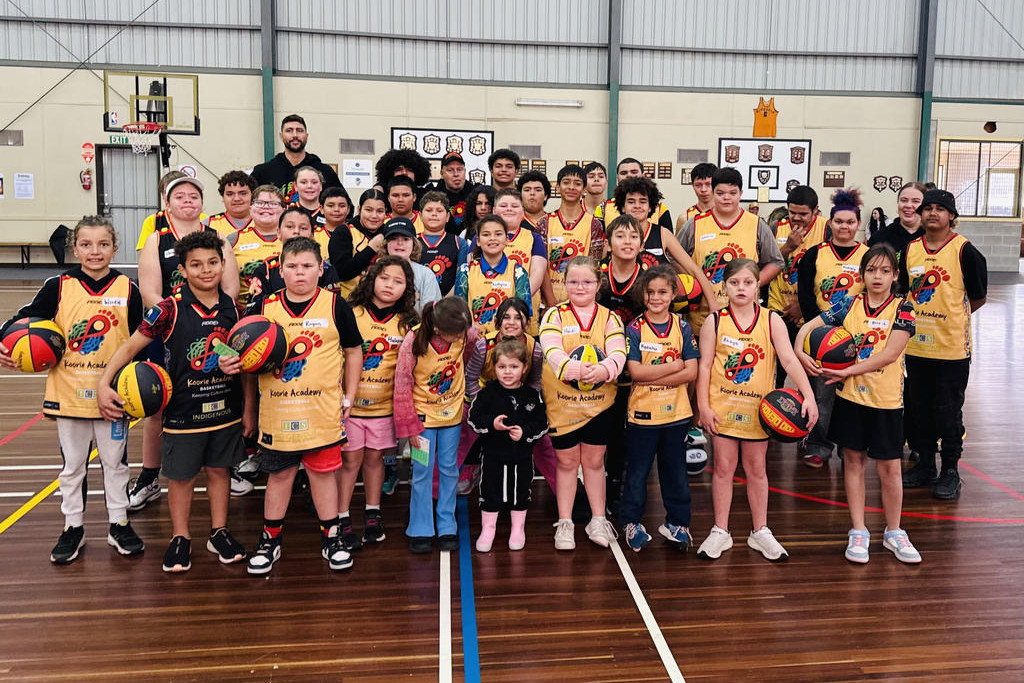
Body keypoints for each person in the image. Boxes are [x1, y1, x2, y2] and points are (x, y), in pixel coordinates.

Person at [98, 231, 246, 573]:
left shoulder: (233, 308)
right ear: (182, 269)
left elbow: (233, 355)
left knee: (219, 471)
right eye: (196, 264)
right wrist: (104, 382)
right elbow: (129, 348)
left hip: (224, 408)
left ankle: (218, 532)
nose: (206, 270)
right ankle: (180, 537)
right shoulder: (168, 308)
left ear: (223, 265)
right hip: (182, 410)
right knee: (181, 477)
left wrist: (234, 373)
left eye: (212, 263)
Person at [0, 216, 144, 564]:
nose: (95, 251)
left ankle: (118, 522)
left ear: (115, 247)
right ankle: (73, 526)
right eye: (86, 244)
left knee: (116, 464)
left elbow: (144, 338)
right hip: (68, 393)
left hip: (113, 396)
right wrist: (8, 346)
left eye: (103, 244)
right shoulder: (58, 286)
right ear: (75, 248)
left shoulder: (128, 289)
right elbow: (19, 323)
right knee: (73, 467)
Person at [228, 237, 363, 575]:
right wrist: (235, 372)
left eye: (307, 266)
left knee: (323, 475)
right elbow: (237, 356)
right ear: (281, 270)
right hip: (277, 412)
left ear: (320, 269)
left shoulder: (336, 305)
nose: (299, 273)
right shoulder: (262, 308)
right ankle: (269, 540)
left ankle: (331, 537)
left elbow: (354, 351)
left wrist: (350, 394)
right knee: (279, 475)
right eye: (292, 266)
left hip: (322, 411)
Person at [795, 244, 921, 564]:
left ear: (895, 275)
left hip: (886, 400)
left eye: (884, 271)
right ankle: (859, 529)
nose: (876, 276)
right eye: (870, 270)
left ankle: (894, 531)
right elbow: (810, 326)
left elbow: (890, 354)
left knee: (890, 468)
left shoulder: (904, 308)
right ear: (862, 274)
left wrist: (845, 370)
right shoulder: (849, 303)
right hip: (850, 397)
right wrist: (799, 349)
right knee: (852, 462)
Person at [695, 258, 817, 562]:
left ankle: (759, 530)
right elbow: (705, 366)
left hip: (758, 411)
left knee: (757, 470)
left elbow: (789, 360)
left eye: (747, 282)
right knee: (723, 469)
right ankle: (720, 530)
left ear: (757, 286)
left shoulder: (771, 320)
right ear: (724, 286)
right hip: (723, 408)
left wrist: (809, 396)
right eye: (734, 282)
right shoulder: (715, 321)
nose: (741, 288)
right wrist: (703, 407)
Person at [132, 176, 239, 511]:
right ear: (168, 203)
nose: (188, 201)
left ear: (202, 203)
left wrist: (209, 322)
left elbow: (231, 290)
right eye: (180, 196)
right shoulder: (156, 238)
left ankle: (224, 467)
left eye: (194, 196)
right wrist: (177, 322)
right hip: (170, 331)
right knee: (158, 404)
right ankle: (150, 476)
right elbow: (150, 292)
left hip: (213, 332)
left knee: (220, 392)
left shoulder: (219, 238)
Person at [900, 189, 987, 500]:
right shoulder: (910, 250)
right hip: (915, 347)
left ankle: (950, 470)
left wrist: (949, 320)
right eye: (928, 208)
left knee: (947, 413)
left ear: (952, 216)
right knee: (919, 410)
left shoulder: (965, 251)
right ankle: (925, 465)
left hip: (951, 351)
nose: (932, 213)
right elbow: (904, 293)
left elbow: (978, 297)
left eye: (940, 209)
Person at [540, 256, 626, 550]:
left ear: (598, 284)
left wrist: (604, 370)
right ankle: (565, 522)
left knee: (593, 461)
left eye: (587, 281)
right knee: (566, 462)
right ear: (564, 283)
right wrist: (576, 370)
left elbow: (618, 353)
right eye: (573, 281)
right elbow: (552, 352)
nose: (580, 287)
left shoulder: (610, 317)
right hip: (562, 404)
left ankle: (597, 518)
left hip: (598, 404)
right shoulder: (554, 315)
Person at [337, 255, 419, 551]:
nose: (389, 286)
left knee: (375, 460)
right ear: (372, 278)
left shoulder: (409, 322)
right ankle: (342, 517)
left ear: (407, 288)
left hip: (384, 408)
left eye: (398, 282)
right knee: (350, 462)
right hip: (350, 407)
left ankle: (373, 513)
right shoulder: (349, 312)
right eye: (385, 278)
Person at [619, 266, 701, 552]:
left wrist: (662, 371)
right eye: (650, 292)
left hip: (676, 415)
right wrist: (674, 365)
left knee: (675, 472)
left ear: (673, 294)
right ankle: (631, 521)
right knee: (638, 473)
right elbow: (636, 373)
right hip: (643, 415)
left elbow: (692, 372)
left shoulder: (683, 326)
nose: (656, 297)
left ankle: (677, 523)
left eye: (662, 292)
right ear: (643, 295)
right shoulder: (635, 328)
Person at [393, 297, 478, 554]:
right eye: (456, 333)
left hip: (452, 417)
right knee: (421, 470)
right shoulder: (413, 341)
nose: (462, 336)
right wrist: (410, 429)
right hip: (422, 420)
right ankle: (420, 528)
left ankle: (447, 524)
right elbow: (402, 385)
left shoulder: (466, 333)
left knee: (449, 468)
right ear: (439, 330)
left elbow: (471, 347)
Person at [796, 189, 868, 469]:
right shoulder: (815, 254)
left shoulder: (868, 255)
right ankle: (818, 444)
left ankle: (849, 447)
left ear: (857, 223)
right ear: (831, 223)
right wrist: (822, 333)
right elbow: (805, 296)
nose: (844, 227)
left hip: (857, 337)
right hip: (821, 337)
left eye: (850, 222)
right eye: (839, 221)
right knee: (821, 393)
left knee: (853, 394)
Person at [675, 167, 784, 337]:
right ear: (713, 193)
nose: (726, 198)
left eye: (732, 193)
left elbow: (776, 262)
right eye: (720, 193)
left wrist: (751, 284)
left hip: (745, 315)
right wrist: (694, 284)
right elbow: (674, 259)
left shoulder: (756, 224)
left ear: (741, 193)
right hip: (701, 316)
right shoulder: (694, 224)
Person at [462, 297, 555, 496]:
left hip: (520, 400)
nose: (511, 322)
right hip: (484, 397)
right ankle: (444, 488)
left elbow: (536, 382)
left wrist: (522, 407)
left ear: (527, 323)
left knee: (543, 443)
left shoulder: (534, 348)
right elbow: (470, 377)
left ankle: (565, 494)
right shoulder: (483, 345)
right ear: (497, 321)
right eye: (506, 317)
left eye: (517, 318)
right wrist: (487, 403)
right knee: (462, 436)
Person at [468, 338, 548, 552]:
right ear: (494, 368)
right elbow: (473, 419)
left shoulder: (532, 396)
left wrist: (525, 433)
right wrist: (492, 424)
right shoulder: (487, 394)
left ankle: (517, 528)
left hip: (521, 458)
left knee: (520, 492)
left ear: (524, 368)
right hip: (493, 456)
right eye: (502, 367)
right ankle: (488, 529)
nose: (507, 372)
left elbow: (541, 424)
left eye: (514, 367)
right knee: (490, 490)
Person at [611, 176, 716, 311]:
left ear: (650, 207)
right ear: (623, 207)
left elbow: (693, 269)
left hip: (656, 311)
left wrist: (713, 305)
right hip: (620, 309)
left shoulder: (663, 234)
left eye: (643, 201)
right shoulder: (614, 233)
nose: (637, 206)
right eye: (631, 201)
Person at [538, 165, 606, 305]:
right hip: (547, 301)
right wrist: (551, 302)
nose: (571, 187)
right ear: (557, 187)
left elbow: (594, 266)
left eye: (577, 183)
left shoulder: (594, 225)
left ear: (584, 189)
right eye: (566, 182)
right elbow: (540, 267)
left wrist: (579, 301)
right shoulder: (544, 223)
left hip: (582, 301)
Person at [454, 215, 532, 335]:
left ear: (507, 239)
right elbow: (459, 313)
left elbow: (523, 315)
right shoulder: (466, 271)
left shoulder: (518, 272)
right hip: (473, 341)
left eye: (498, 234)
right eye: (486, 234)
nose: (492, 238)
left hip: (508, 343)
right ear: (478, 241)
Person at [247, 208, 340, 303]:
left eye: (303, 228)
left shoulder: (326, 269)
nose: (296, 232)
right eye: (289, 226)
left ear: (312, 235)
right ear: (278, 232)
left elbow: (331, 307)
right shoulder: (265, 270)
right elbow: (255, 312)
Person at [250, 114, 341, 199]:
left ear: (306, 136)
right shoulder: (262, 172)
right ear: (281, 136)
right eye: (289, 131)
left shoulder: (325, 172)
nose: (295, 135)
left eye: (299, 130)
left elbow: (344, 205)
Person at [228, 184, 283, 309]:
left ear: (284, 209)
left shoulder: (294, 238)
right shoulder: (232, 239)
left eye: (273, 204)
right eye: (260, 203)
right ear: (251, 208)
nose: (266, 207)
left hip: (285, 309)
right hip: (244, 311)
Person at [328, 188, 388, 298]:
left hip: (381, 301)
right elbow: (342, 272)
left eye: (380, 211)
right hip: (349, 300)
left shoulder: (389, 232)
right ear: (359, 210)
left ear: (386, 213)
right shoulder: (344, 231)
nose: (374, 216)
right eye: (368, 210)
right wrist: (370, 249)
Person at [378, 217, 442, 313]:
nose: (400, 243)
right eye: (394, 238)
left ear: (414, 243)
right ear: (385, 244)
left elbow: (430, 316)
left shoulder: (426, 275)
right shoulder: (375, 271)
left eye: (405, 239)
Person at [134, 170, 209, 251]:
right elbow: (143, 253)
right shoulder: (153, 221)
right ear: (163, 195)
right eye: (168, 191)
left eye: (193, 196)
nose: (187, 200)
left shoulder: (205, 220)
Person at [415, 191, 470, 296]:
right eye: (429, 210)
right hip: (417, 301)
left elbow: (462, 278)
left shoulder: (459, 243)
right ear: (420, 216)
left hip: (448, 305)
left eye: (439, 211)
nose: (434, 214)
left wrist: (444, 303)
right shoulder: (412, 241)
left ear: (448, 216)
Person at [597, 158, 673, 230]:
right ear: (617, 178)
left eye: (634, 172)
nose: (629, 175)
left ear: (643, 175)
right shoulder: (603, 208)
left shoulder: (660, 209)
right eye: (624, 173)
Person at [867, 182, 927, 265]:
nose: (908, 205)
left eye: (916, 201)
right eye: (904, 200)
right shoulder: (879, 238)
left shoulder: (933, 237)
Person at [432, 151, 476, 235]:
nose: (456, 174)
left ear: (465, 171)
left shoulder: (476, 195)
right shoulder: (433, 197)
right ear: (442, 173)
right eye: (450, 170)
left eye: (459, 169)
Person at [206, 170, 255, 236]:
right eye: (230, 194)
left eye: (243, 193)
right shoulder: (208, 224)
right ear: (223, 198)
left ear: (253, 196)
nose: (236, 199)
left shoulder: (266, 222)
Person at [675, 162, 717, 232]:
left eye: (708, 184)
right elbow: (678, 243)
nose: (703, 189)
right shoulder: (685, 218)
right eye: (698, 185)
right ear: (693, 185)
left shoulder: (726, 215)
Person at [314, 185, 353, 257]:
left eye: (342, 206)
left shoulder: (356, 233)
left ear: (348, 209)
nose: (336, 209)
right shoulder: (313, 235)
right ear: (321, 209)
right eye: (330, 205)